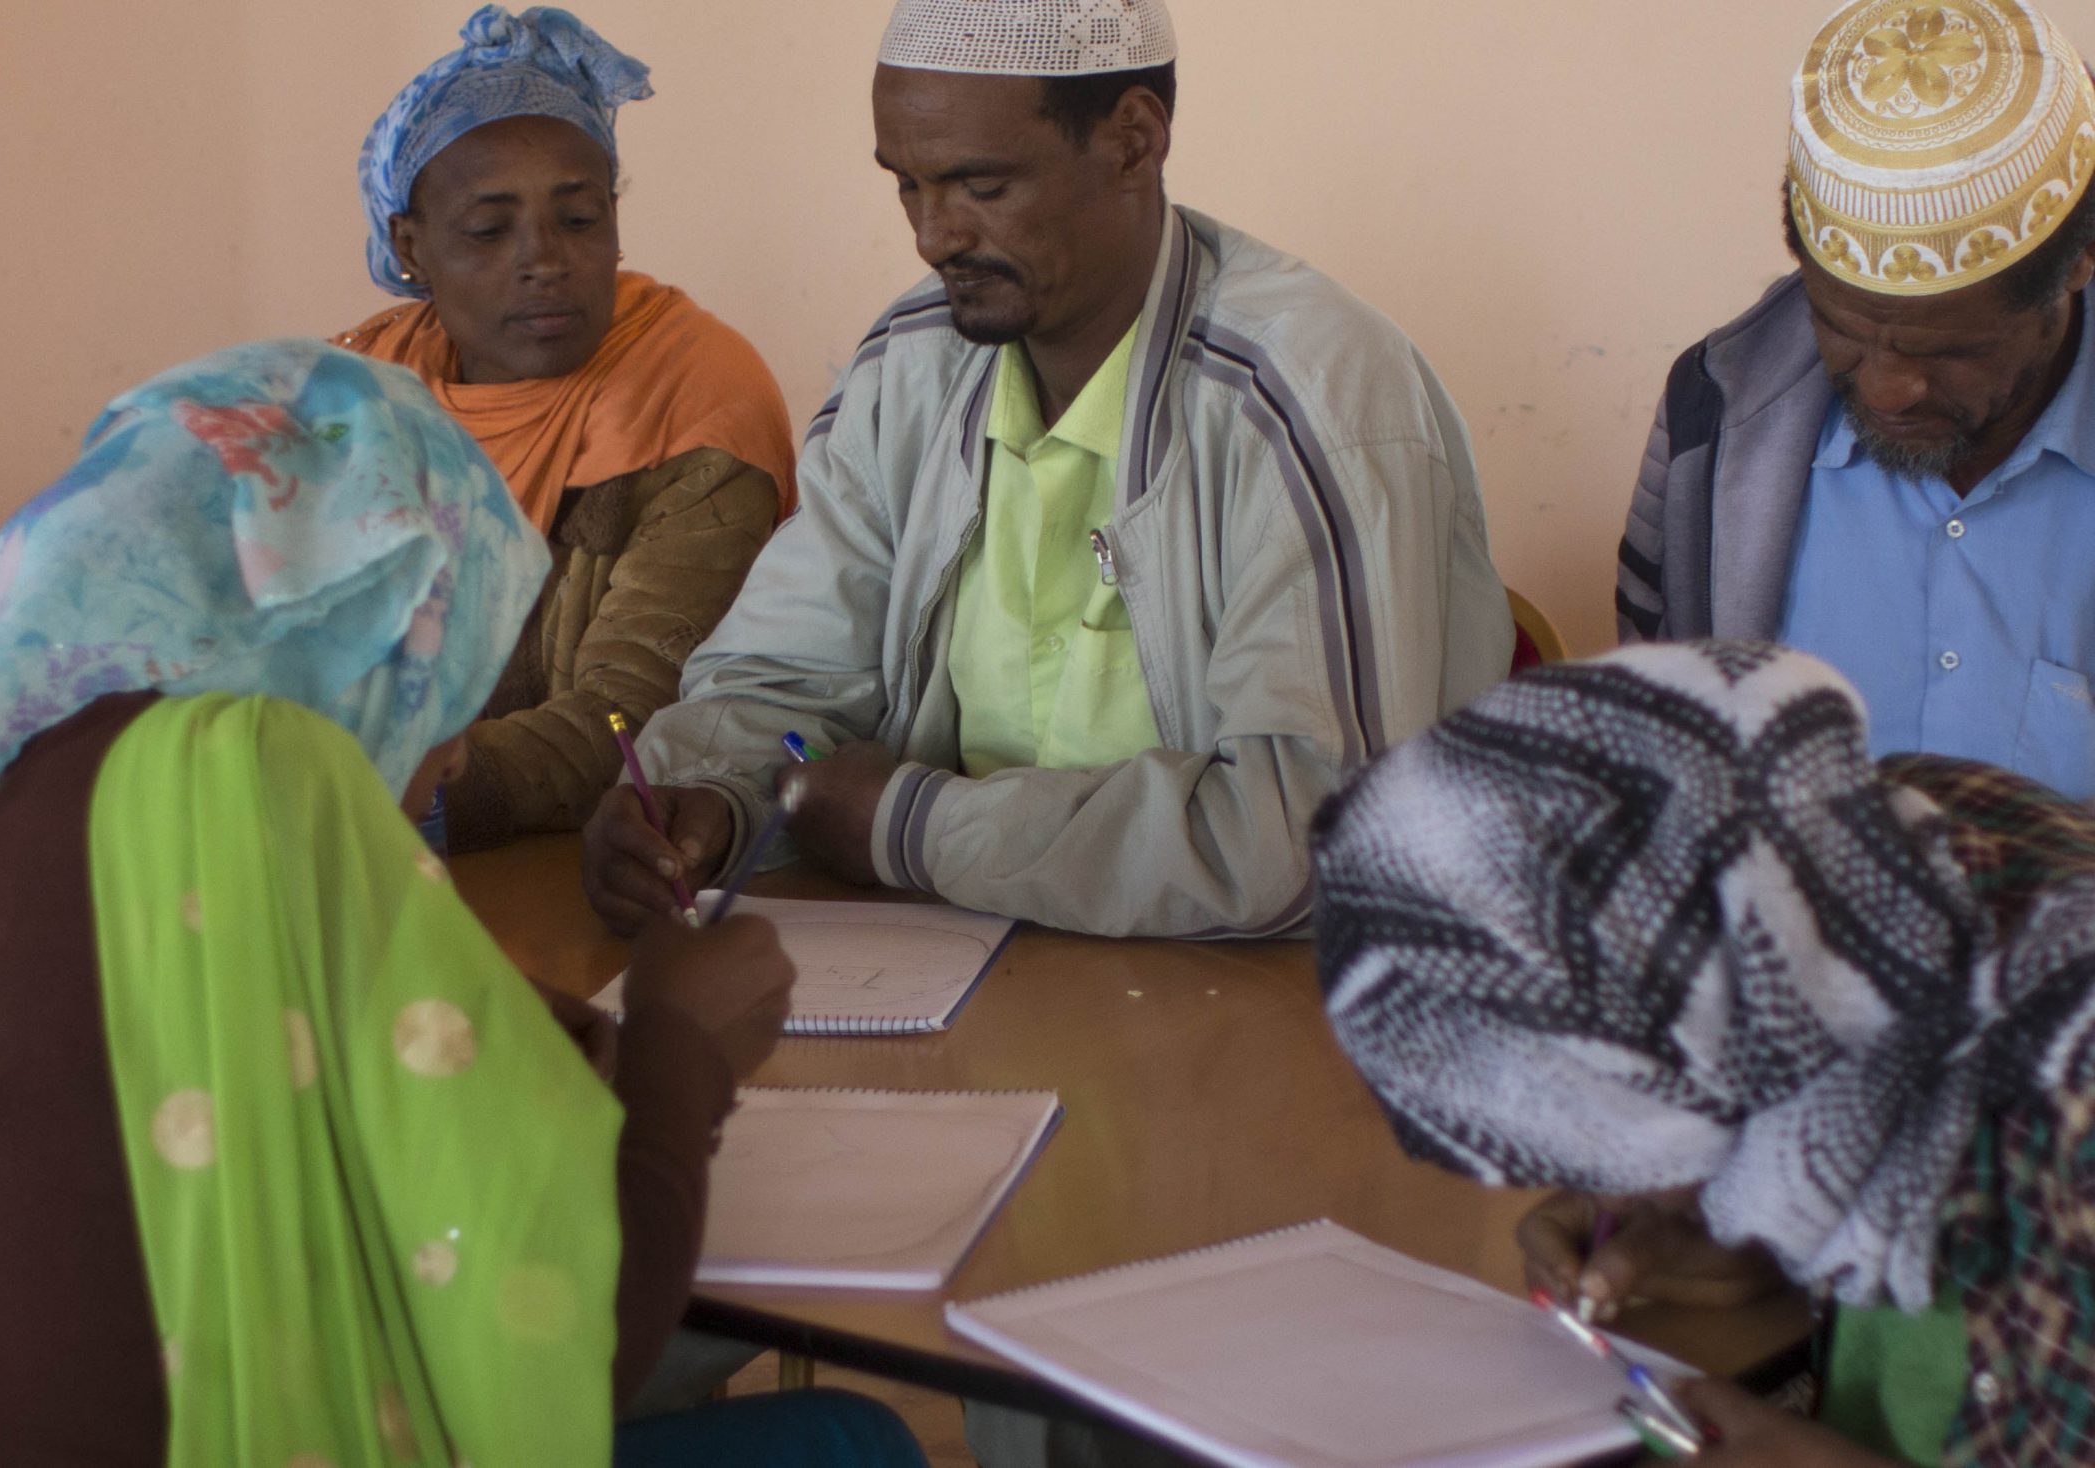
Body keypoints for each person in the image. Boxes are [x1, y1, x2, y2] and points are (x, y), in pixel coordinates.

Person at [0, 341, 926, 1468]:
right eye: (441, 680)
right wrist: (683, 1046)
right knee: (849, 1443)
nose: (450, 755)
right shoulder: (253, 776)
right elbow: (573, 1335)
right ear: (355, 636)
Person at [583, 0, 1512, 943]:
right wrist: (707, 798)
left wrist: (915, 828)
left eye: (982, 185)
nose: (933, 237)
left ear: (1133, 141)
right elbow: (780, 682)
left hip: (1270, 995)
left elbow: (1317, 846)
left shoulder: (1310, 396)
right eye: (907, 186)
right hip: (963, 967)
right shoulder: (912, 366)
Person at [1313, 640, 2095, 1466]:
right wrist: (1769, 1237)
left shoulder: (2071, 1089)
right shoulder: (1846, 853)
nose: (1603, 1194)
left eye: (1604, 1146)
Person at [338, 4, 799, 854]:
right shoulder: (359, 396)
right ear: (411, 246)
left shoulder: (693, 399)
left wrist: (367, 794)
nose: (546, 260)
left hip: (581, 863)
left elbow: (629, 721)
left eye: (580, 219)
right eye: (488, 229)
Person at [1618, 0, 2095, 802]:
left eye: (1948, 351)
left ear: (2078, 265)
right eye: (1841, 329)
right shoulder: (1715, 420)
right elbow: (1657, 756)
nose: (1885, 389)